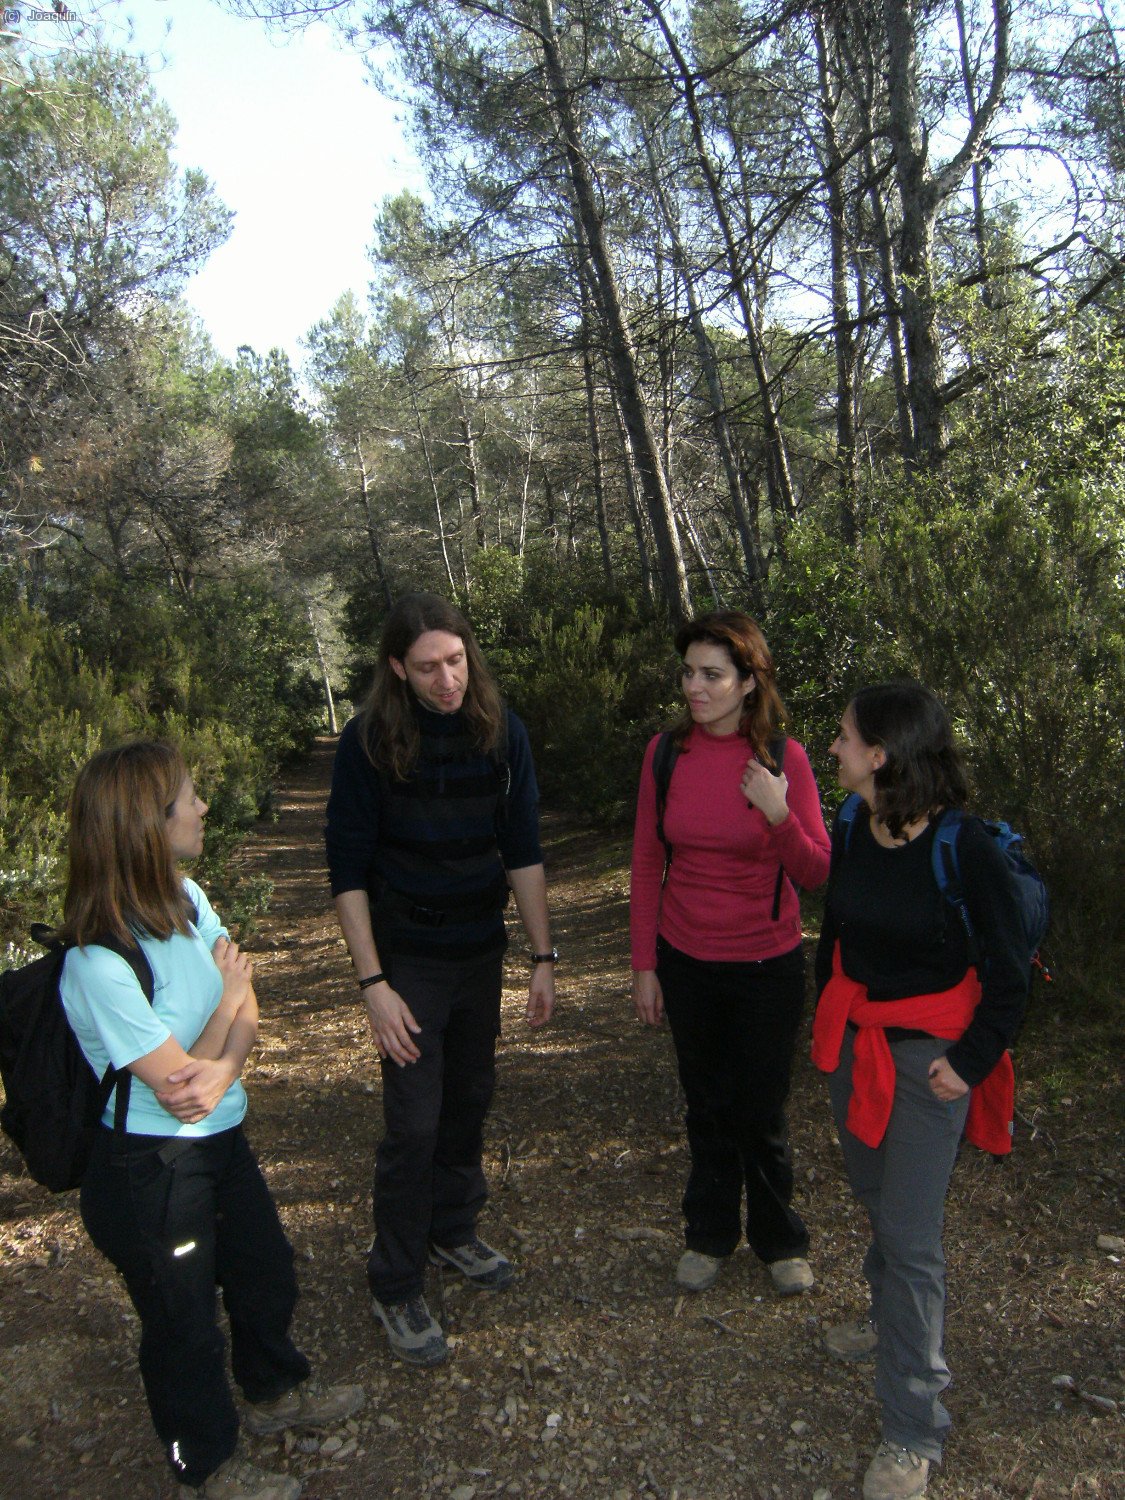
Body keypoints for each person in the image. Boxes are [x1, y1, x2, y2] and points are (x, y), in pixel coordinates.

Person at [58, 741, 363, 1500]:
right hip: (150, 1171)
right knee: (183, 1319)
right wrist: (226, 1012)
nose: (202, 807)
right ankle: (207, 1464)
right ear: (143, 824)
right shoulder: (99, 962)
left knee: (264, 1269)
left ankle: (271, 1391)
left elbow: (241, 1013)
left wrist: (226, 1057)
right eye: (188, 798)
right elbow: (178, 1087)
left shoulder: (187, 900)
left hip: (219, 1137)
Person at [325, 591, 555, 1368]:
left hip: (478, 951)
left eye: (455, 661)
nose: (446, 679)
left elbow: (521, 849)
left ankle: (453, 1230)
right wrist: (372, 984)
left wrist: (541, 958)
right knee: (413, 1122)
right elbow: (346, 871)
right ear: (397, 668)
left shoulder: (502, 732)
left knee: (468, 1100)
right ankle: (395, 1280)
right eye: (427, 667)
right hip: (408, 960)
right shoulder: (369, 744)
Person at [813, 682, 1030, 1500]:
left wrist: (967, 1063)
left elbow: (1008, 976)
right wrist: (827, 1028)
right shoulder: (850, 825)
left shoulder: (962, 845)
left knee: (908, 1243)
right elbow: (836, 933)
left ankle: (912, 1427)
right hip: (855, 1047)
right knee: (878, 1207)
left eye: (841, 737)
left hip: (929, 1062)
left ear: (880, 754)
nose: (830, 747)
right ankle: (890, 1333)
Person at [630, 609, 830, 1297]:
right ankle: (709, 1233)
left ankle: (780, 1241)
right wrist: (644, 966)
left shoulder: (785, 759)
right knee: (705, 1106)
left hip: (764, 967)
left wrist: (777, 813)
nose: (694, 686)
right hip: (686, 960)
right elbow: (645, 860)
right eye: (688, 672)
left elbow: (814, 872)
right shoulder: (665, 754)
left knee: (762, 1111)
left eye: (711, 674)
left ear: (748, 682)